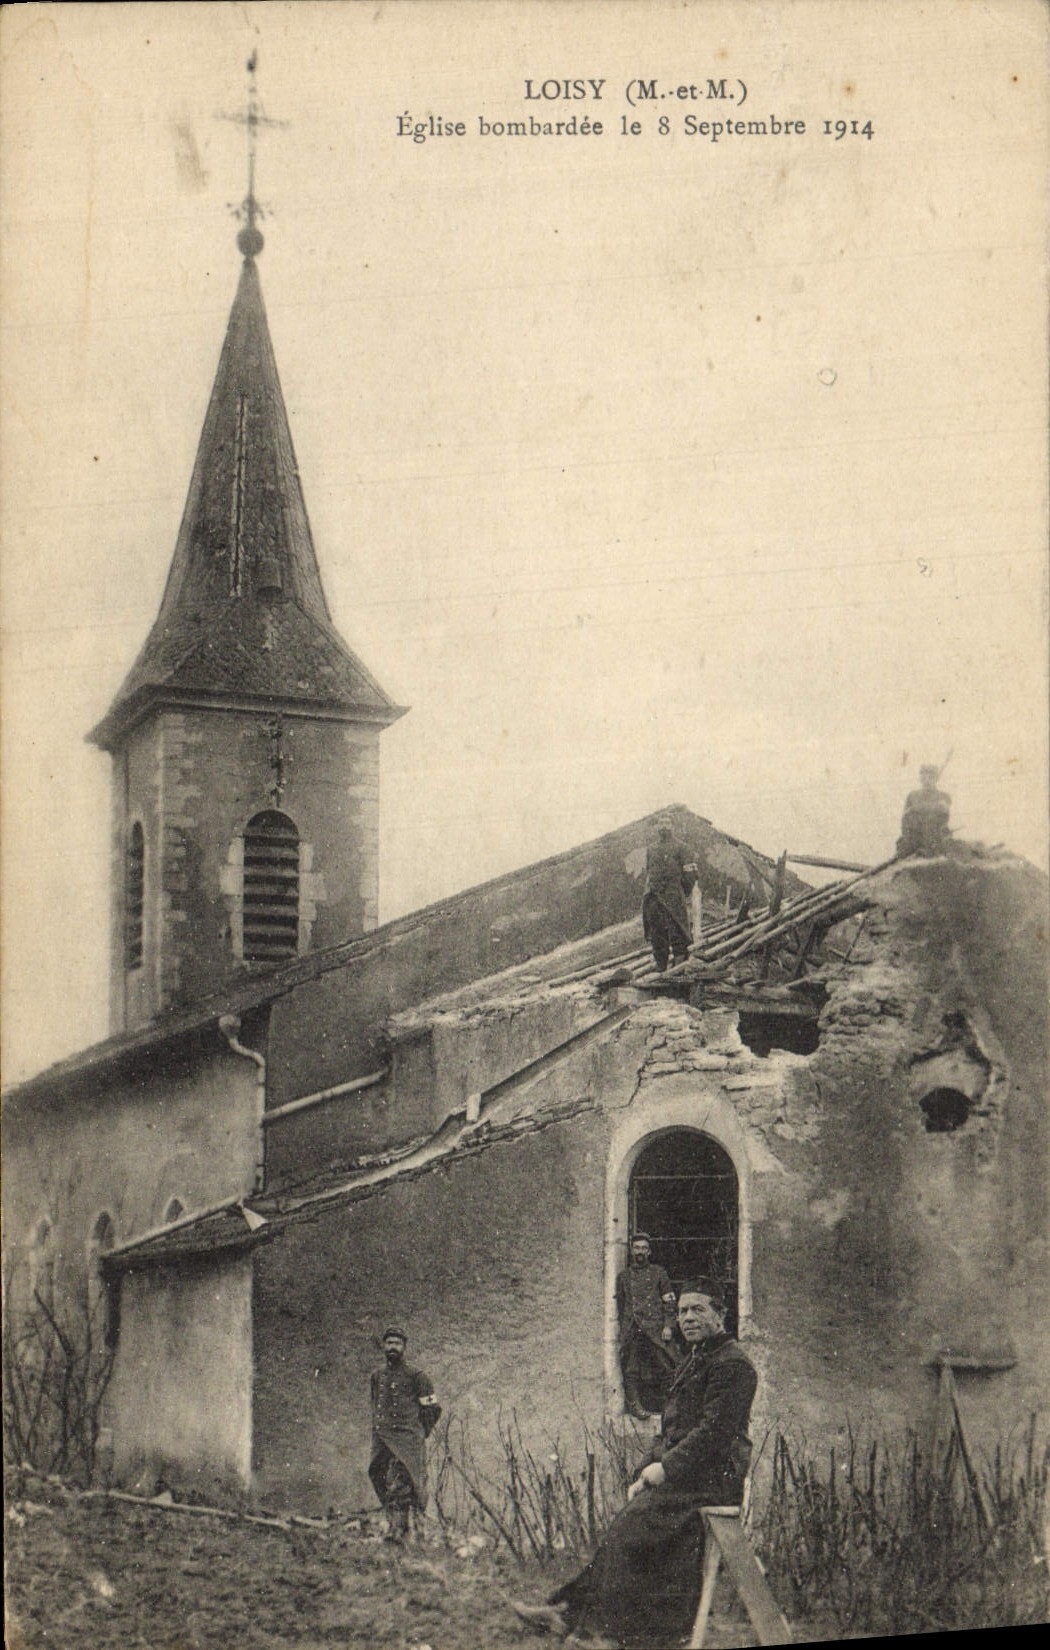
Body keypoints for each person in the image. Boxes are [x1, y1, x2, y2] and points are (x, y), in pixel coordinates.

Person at [512, 1284, 757, 1648]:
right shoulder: (695, 1359)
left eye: (698, 1310)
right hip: (690, 1475)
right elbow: (670, 1430)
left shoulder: (732, 1364)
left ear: (720, 1314)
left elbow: (714, 1434)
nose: (688, 1318)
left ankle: (591, 1624)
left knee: (632, 1528)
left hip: (714, 1478)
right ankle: (570, 1615)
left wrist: (666, 1469)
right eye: (682, 1311)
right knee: (629, 1524)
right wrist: (642, 1471)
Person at [368, 1326, 441, 1540]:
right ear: (383, 1346)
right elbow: (375, 1404)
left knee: (406, 1484)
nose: (393, 1347)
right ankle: (394, 1524)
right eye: (389, 1343)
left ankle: (403, 1532)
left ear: (404, 1347)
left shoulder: (417, 1376)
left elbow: (432, 1409)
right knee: (378, 1475)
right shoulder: (377, 1376)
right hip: (382, 1439)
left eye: (397, 1343)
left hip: (408, 1439)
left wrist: (418, 1432)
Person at [616, 1233, 678, 1418]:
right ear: (631, 1251)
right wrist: (624, 1329)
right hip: (633, 1328)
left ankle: (670, 1406)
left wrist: (668, 1326)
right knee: (631, 1369)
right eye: (637, 1248)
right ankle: (635, 1406)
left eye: (644, 1248)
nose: (640, 1252)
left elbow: (670, 1301)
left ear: (649, 1252)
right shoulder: (624, 1277)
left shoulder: (659, 1273)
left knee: (666, 1365)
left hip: (655, 1328)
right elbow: (621, 1305)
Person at [643, 820, 698, 971]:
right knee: (657, 933)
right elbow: (649, 871)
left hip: (674, 897)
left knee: (677, 931)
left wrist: (679, 892)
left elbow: (690, 875)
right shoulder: (651, 849)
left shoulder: (682, 847)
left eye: (667, 823)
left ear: (673, 826)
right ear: (656, 826)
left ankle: (680, 967)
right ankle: (661, 967)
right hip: (654, 898)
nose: (664, 826)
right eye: (661, 823)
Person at [897, 766, 952, 857]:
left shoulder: (943, 796)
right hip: (914, 836)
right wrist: (932, 806)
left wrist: (916, 808)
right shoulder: (912, 795)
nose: (927, 781)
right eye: (923, 777)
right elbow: (906, 816)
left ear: (936, 779)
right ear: (920, 779)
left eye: (930, 777)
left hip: (935, 836)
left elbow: (943, 811)